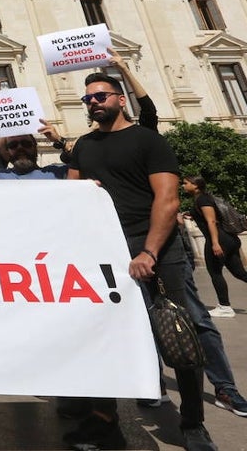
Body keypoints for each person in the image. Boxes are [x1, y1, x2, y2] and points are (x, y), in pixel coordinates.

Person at [65, 73, 218, 451]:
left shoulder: (149, 140)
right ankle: (104, 417)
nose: (94, 103)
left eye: (100, 95)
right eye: (88, 99)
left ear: (120, 98)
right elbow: (69, 195)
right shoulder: (83, 145)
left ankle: (193, 422)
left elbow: (166, 200)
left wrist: (148, 251)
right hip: (106, 253)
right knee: (104, 335)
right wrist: (85, 191)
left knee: (177, 333)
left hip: (157, 250)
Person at [182, 175, 246, 318]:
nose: (183, 185)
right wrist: (191, 214)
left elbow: (211, 221)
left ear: (196, 185)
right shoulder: (202, 199)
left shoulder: (203, 199)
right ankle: (224, 306)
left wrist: (215, 243)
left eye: (186, 183)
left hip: (219, 240)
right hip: (228, 240)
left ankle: (224, 307)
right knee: (239, 273)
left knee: (215, 272)